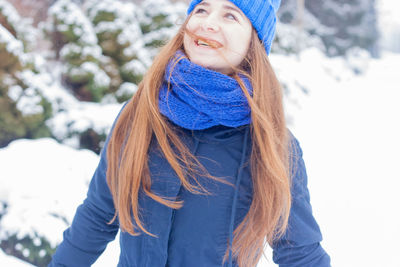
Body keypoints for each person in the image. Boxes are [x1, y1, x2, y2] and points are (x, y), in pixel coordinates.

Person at [49, 0, 331, 266]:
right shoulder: (140, 114)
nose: (208, 23)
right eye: (201, 10)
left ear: (254, 41)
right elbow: (98, 216)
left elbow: (299, 253)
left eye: (230, 15)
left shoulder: (271, 143)